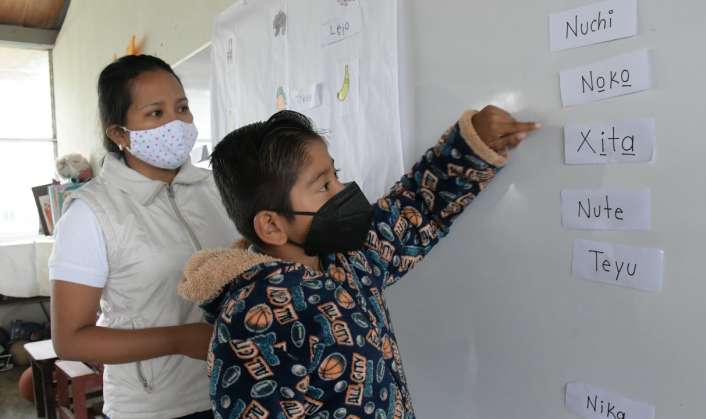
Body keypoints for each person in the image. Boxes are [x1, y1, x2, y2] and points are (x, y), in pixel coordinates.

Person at [178, 106, 539, 418]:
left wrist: (472, 143)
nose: (343, 189)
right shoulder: (253, 318)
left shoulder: (347, 260)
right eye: (323, 186)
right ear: (271, 225)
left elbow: (414, 210)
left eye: (335, 174)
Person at [49, 54, 238, 419]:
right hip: (155, 407)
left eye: (182, 108)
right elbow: (70, 339)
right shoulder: (92, 212)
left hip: (236, 391)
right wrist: (179, 339)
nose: (176, 122)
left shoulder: (217, 187)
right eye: (156, 113)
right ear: (119, 133)